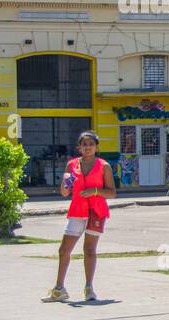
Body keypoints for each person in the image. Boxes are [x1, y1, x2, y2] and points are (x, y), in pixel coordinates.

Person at [43, 130, 116, 303]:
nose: (88, 147)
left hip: (96, 211)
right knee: (64, 250)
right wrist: (65, 183)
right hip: (77, 210)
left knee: (89, 249)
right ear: (79, 147)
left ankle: (89, 288)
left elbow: (112, 193)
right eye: (84, 145)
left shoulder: (104, 166)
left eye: (91, 144)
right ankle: (59, 289)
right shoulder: (72, 165)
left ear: (97, 147)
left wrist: (95, 191)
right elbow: (64, 192)